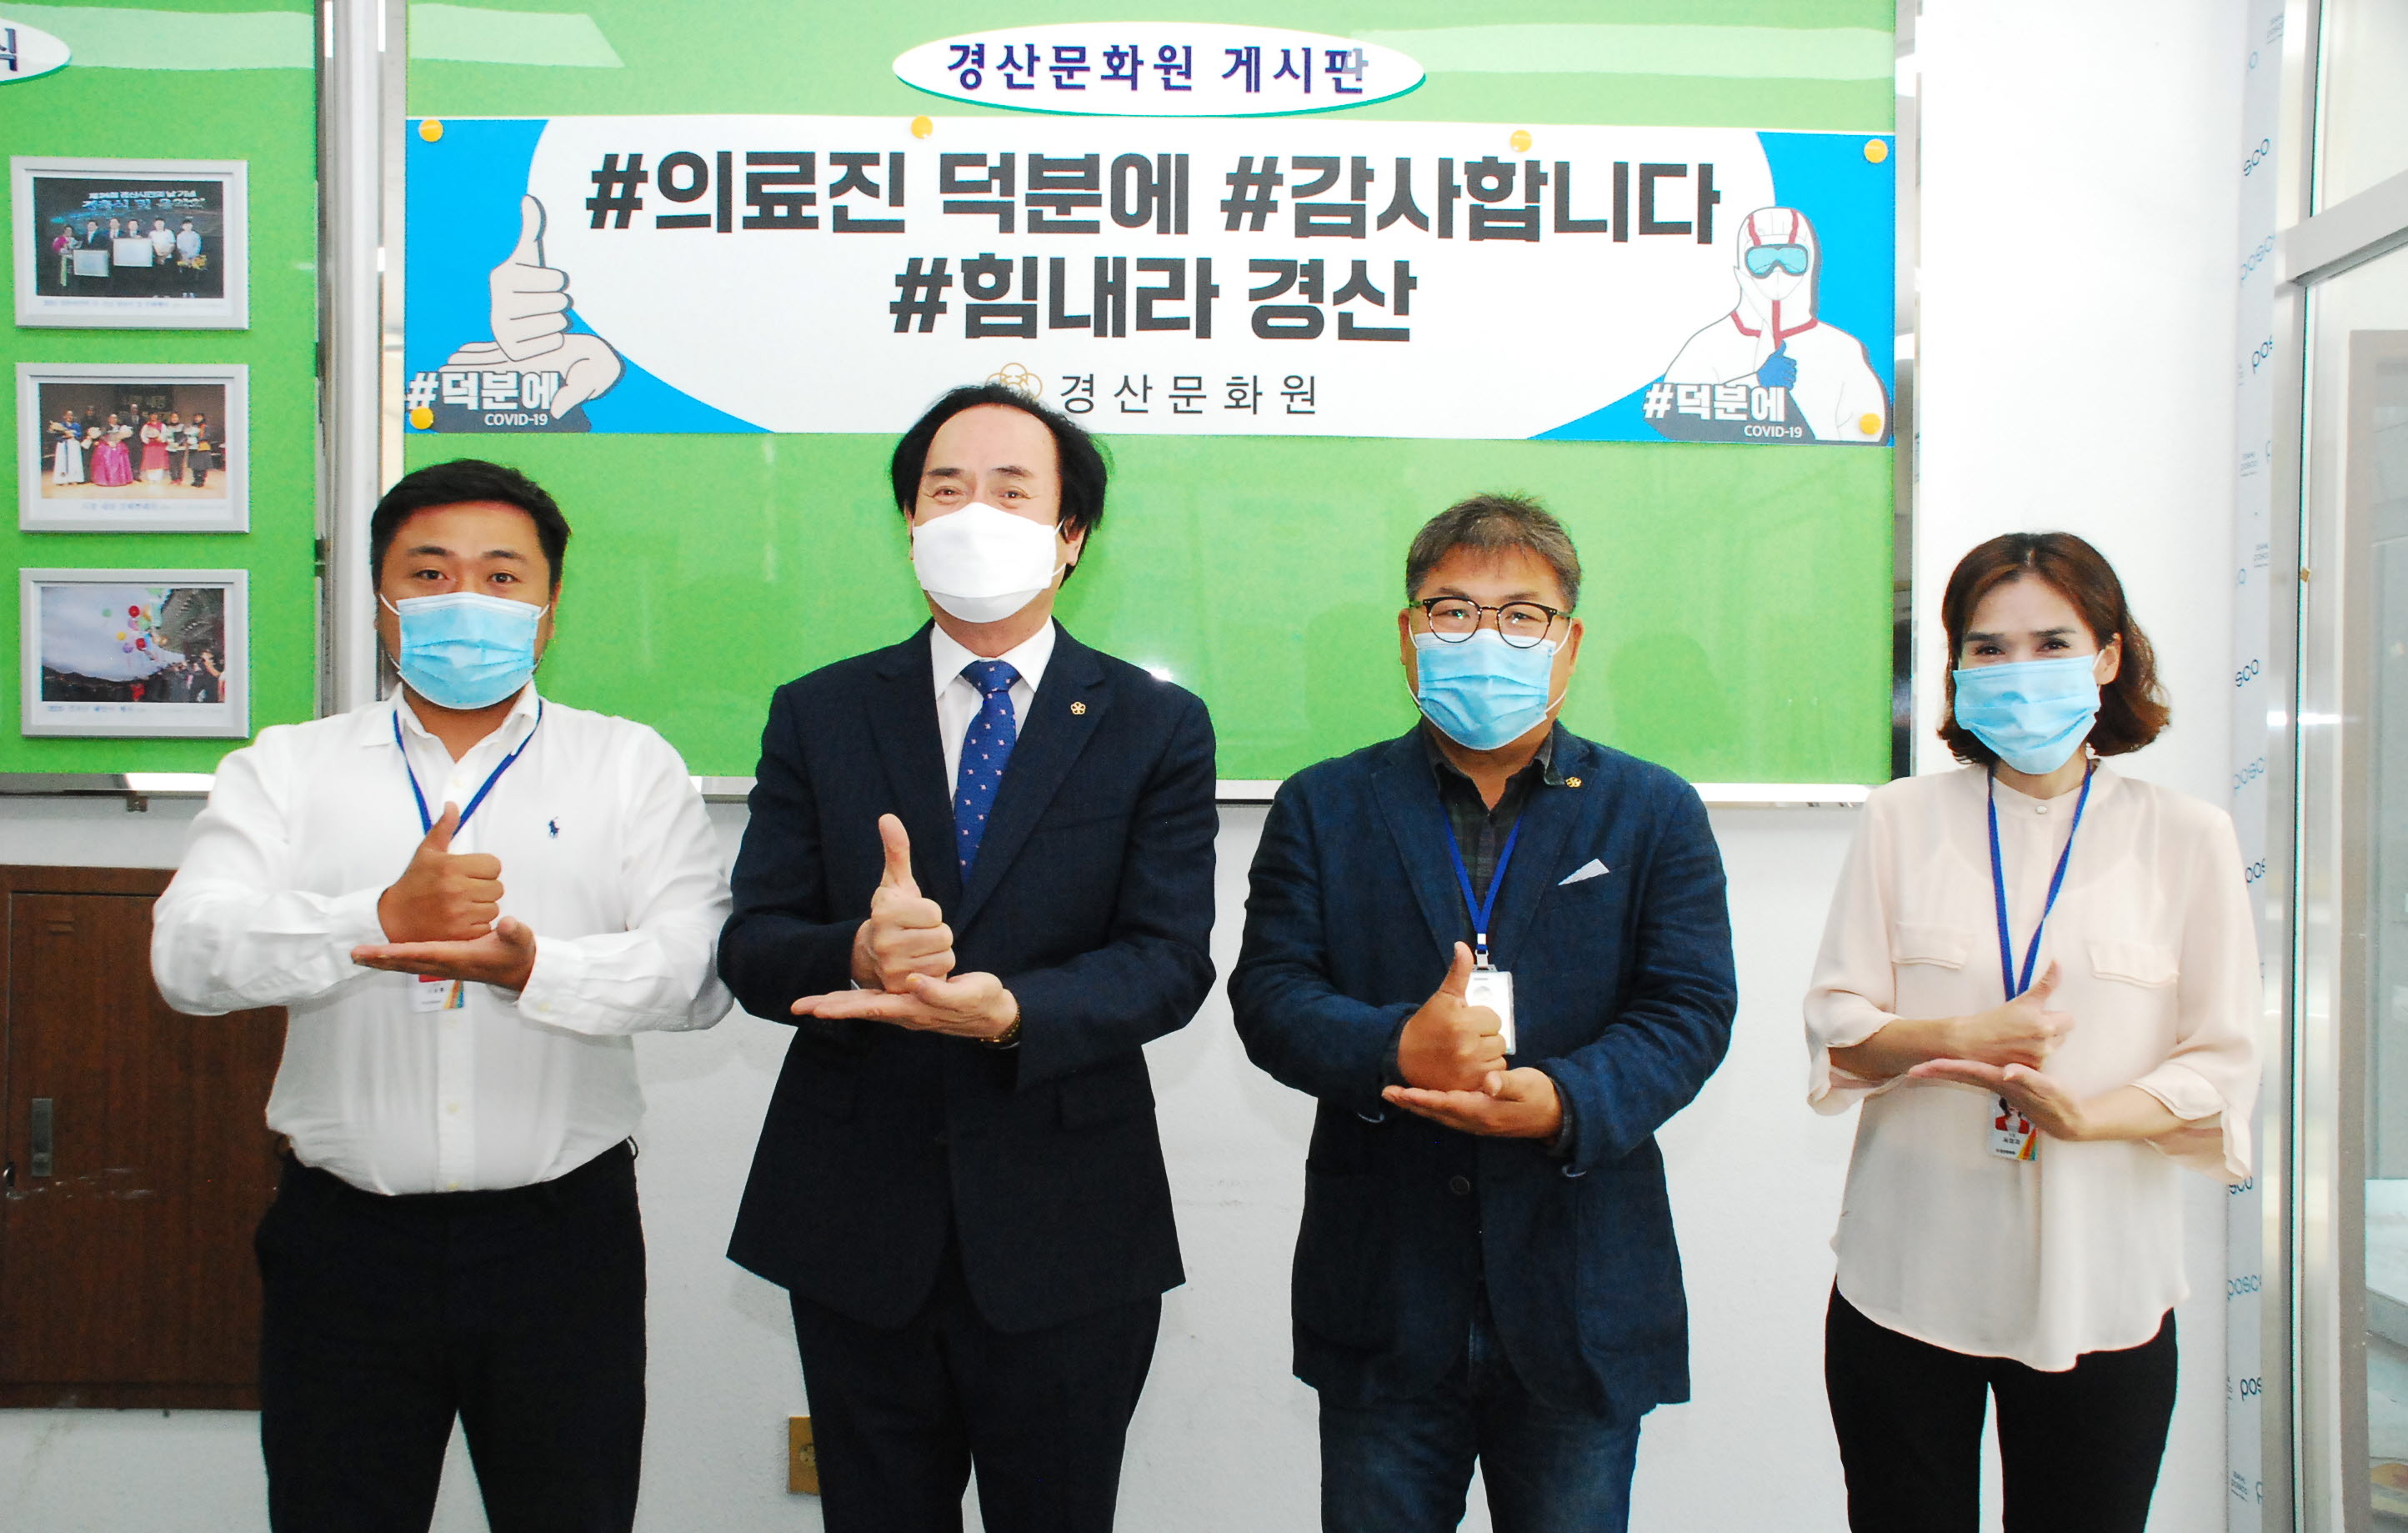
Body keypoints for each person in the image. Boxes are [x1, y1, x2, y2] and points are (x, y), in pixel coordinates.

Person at [151, 458, 733, 1533]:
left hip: (561, 1245)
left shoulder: (628, 766)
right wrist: (377, 919)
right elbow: (188, 957)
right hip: (345, 1247)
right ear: (382, 600)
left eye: (502, 575)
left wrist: (536, 972)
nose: (467, 598)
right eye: (430, 572)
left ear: (550, 606)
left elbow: (700, 974)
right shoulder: (288, 768)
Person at [718, 382, 1217, 1533]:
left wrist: (1015, 1013)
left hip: (1069, 1224)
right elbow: (751, 945)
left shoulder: (1153, 724)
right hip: (855, 1219)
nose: (973, 512)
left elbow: (1167, 960)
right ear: (909, 521)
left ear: (1070, 532)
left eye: (1011, 490)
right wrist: (854, 950)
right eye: (946, 489)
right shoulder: (820, 712)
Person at [1229, 493, 1739, 1533]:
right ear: (1410, 636)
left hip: (1580, 1290)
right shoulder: (1324, 805)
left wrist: (1566, 1100)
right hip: (1384, 1292)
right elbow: (1271, 995)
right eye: (1453, 611)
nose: (1485, 638)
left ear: (1569, 643)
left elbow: (1689, 1008)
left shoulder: (1652, 810)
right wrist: (1394, 1047)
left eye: (1521, 616)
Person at [1803, 531, 2260, 1532]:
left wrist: (2089, 1117)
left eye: (2053, 643)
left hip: (2104, 1282)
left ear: (2108, 658)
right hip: (1908, 1271)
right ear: (1957, 668)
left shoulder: (2187, 837)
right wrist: (1959, 1036)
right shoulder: (1901, 819)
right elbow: (1838, 1025)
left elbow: (2222, 1057)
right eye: (1988, 648)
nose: (2019, 670)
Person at [1662, 205, 1889, 443]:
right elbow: (1672, 418)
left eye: (1792, 258)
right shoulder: (1708, 346)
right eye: (1762, 260)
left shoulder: (1842, 348)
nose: (1777, 271)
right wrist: (1755, 385)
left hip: (1821, 468)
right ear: (1742, 262)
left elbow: (1866, 433)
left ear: (1811, 261)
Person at [89, 414, 133, 488]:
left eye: (115, 418)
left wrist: (118, 439)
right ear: (109, 419)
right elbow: (101, 436)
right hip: (107, 445)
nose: (114, 419)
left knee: (121, 461)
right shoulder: (105, 427)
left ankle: (120, 479)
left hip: (118, 445)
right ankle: (107, 480)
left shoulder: (119, 427)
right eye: (112, 418)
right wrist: (108, 442)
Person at [48, 409, 85, 486]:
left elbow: (80, 435)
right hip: (63, 445)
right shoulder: (60, 425)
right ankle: (62, 479)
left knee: (74, 461)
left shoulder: (76, 425)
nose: (69, 417)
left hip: (73, 445)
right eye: (68, 415)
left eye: (71, 415)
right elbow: (56, 436)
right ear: (64, 416)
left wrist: (73, 435)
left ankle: (74, 479)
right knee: (62, 461)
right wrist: (65, 436)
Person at [139, 413, 169, 483]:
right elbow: (143, 435)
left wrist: (160, 438)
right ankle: (151, 478)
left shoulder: (162, 425)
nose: (154, 416)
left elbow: (165, 434)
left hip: (159, 446)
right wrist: (148, 440)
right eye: (152, 415)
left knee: (159, 461)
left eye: (155, 415)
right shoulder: (146, 426)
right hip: (150, 446)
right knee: (150, 461)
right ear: (150, 416)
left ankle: (158, 478)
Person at [188, 413, 214, 488]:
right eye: (196, 417)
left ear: (203, 418)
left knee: (202, 466)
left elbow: (207, 436)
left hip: (203, 448)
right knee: (194, 465)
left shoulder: (206, 427)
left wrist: (197, 439)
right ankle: (196, 480)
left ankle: (201, 481)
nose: (197, 419)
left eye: (199, 417)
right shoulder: (192, 427)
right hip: (193, 448)